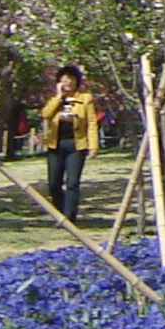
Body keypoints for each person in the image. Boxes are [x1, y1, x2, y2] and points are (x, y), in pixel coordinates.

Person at [35, 65, 99, 221]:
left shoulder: (85, 98)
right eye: (64, 79)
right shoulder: (54, 99)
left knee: (72, 183)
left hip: (76, 145)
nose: (68, 82)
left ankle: (69, 217)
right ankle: (61, 211)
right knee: (53, 183)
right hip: (55, 145)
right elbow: (46, 114)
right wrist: (58, 96)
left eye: (71, 79)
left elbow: (91, 122)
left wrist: (93, 146)